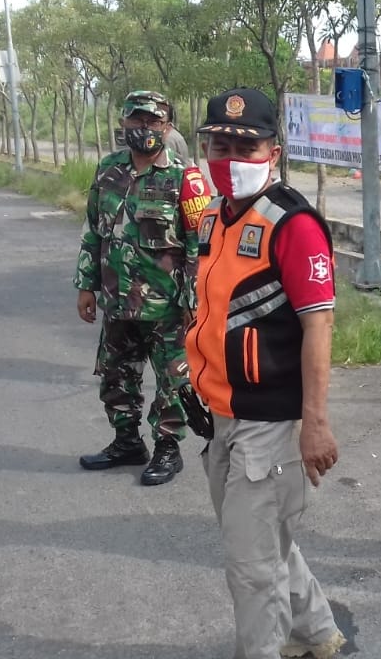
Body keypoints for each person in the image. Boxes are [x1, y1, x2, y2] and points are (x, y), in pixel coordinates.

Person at [185, 88, 346, 659]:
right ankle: (317, 632)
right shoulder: (213, 217)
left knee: (251, 566)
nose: (230, 158)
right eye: (218, 145)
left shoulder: (293, 225)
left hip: (269, 422)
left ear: (272, 153)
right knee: (264, 539)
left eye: (245, 146)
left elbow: (318, 325)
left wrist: (315, 424)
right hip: (221, 415)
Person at [74, 89, 211, 486]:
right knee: (115, 376)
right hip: (117, 300)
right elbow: (94, 231)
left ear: (167, 127)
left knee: (172, 382)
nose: (145, 128)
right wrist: (86, 285)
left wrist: (193, 298)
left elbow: (199, 244)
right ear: (124, 122)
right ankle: (127, 442)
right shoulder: (108, 170)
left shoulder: (186, 177)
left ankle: (168, 449)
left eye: (154, 121)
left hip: (166, 305)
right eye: (137, 119)